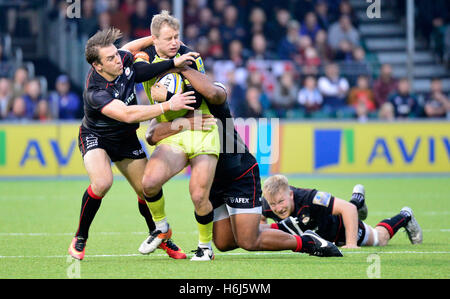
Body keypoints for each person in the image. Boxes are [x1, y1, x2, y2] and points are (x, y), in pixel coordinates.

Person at [146, 72, 343, 258]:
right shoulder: (171, 109)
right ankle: (282, 228)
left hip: (238, 172)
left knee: (249, 241)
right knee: (223, 243)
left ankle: (306, 242)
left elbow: (214, 97)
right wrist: (172, 108)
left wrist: (177, 71)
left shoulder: (211, 94)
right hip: (212, 179)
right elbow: (151, 135)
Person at [67, 27, 199, 261]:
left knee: (147, 189)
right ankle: (80, 237)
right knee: (102, 182)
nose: (118, 60)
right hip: (96, 136)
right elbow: (127, 114)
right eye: (110, 58)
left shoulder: (123, 59)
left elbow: (128, 49)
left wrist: (157, 40)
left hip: (125, 138)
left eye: (116, 54)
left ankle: (160, 236)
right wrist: (169, 106)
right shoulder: (96, 92)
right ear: (97, 66)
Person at [128, 11, 223, 261]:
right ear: (154, 40)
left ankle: (205, 247)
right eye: (168, 38)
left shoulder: (188, 55)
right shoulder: (145, 56)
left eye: (177, 37)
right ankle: (161, 227)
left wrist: (169, 95)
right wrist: (170, 69)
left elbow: (198, 97)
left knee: (198, 194)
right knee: (148, 183)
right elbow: (136, 72)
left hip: (202, 127)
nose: (175, 43)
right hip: (174, 132)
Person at [261, 175, 423, 248]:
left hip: (340, 229)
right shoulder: (267, 203)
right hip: (322, 236)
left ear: (290, 194)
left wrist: (351, 244)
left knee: (379, 239)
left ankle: (405, 216)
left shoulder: (311, 198)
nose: (278, 208)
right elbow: (261, 220)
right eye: (273, 204)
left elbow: (348, 209)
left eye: (281, 202)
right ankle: (358, 199)